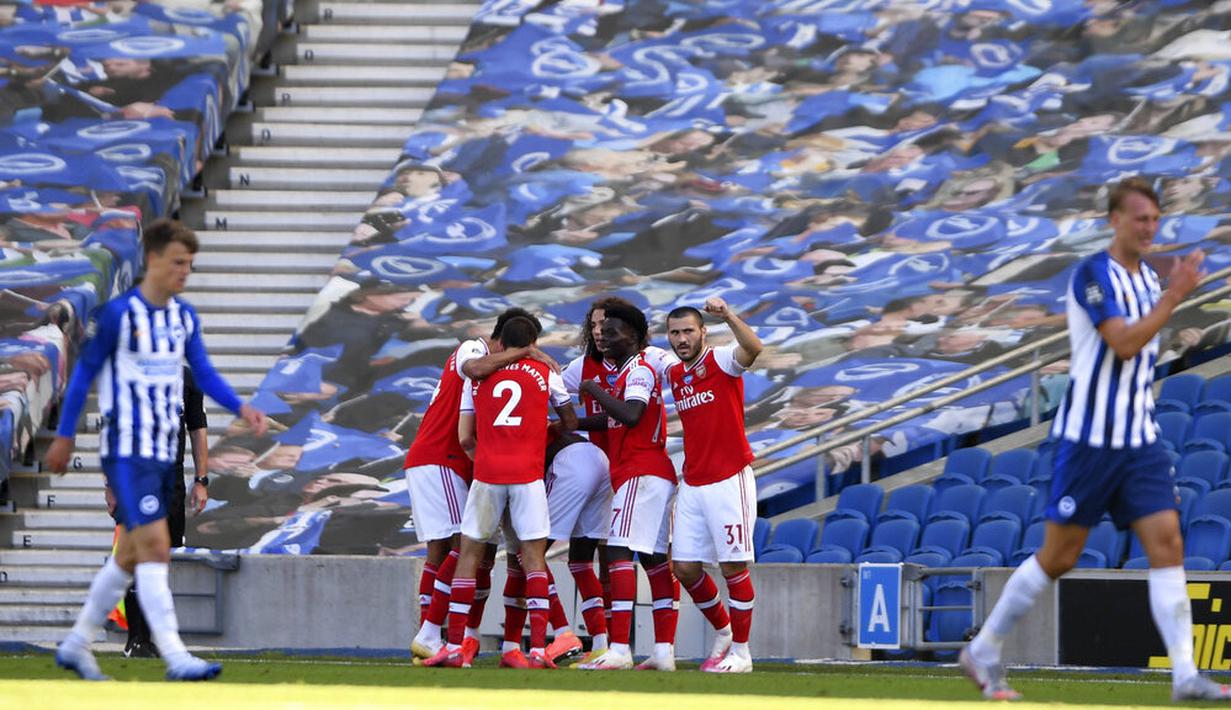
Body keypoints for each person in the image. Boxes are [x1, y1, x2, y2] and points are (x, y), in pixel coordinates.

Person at [959, 177, 1229, 701]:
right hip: (1089, 440)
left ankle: (1184, 677)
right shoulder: (1093, 275)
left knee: (1169, 544)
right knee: (1059, 557)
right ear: (1114, 221)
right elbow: (1124, 344)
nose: (1149, 228)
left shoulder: (1150, 280)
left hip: (1140, 440)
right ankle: (984, 648)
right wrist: (1175, 298)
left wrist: (1167, 296)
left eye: (1155, 219)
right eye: (1140, 219)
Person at [47, 218, 266, 682]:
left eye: (190, 264)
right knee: (156, 546)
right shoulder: (119, 315)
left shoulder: (183, 317)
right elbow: (84, 375)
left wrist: (241, 406)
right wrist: (64, 437)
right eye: (177, 262)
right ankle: (175, 655)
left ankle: (75, 642)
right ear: (152, 261)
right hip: (127, 449)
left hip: (165, 454)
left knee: (129, 554)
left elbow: (202, 375)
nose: (184, 271)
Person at [423, 316, 577, 669]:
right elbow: (569, 422)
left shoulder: (476, 377)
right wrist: (540, 433)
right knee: (532, 558)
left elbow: (465, 438)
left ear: (501, 340)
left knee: (469, 556)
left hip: (488, 475)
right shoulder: (546, 373)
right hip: (527, 476)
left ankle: (458, 646)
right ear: (532, 342)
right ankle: (536, 648)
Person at [575, 303, 679, 671]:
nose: (603, 337)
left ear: (634, 337)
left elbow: (631, 416)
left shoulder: (638, 368)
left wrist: (591, 389)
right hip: (650, 473)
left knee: (618, 551)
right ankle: (664, 652)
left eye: (613, 332)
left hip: (640, 471)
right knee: (653, 561)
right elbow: (613, 421)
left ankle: (619, 648)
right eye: (602, 331)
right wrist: (569, 424)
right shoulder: (629, 372)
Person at [665, 297, 762, 673]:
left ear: (703, 332)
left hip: (728, 478)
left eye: (688, 330)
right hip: (694, 481)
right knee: (685, 568)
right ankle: (723, 631)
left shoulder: (720, 360)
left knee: (733, 567)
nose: (682, 338)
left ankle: (742, 652)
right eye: (675, 333)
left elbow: (754, 349)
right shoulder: (675, 374)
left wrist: (729, 316)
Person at [119, 366, 209, 658]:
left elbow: (197, 428)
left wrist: (201, 480)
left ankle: (148, 638)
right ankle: (136, 639)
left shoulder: (186, 377)